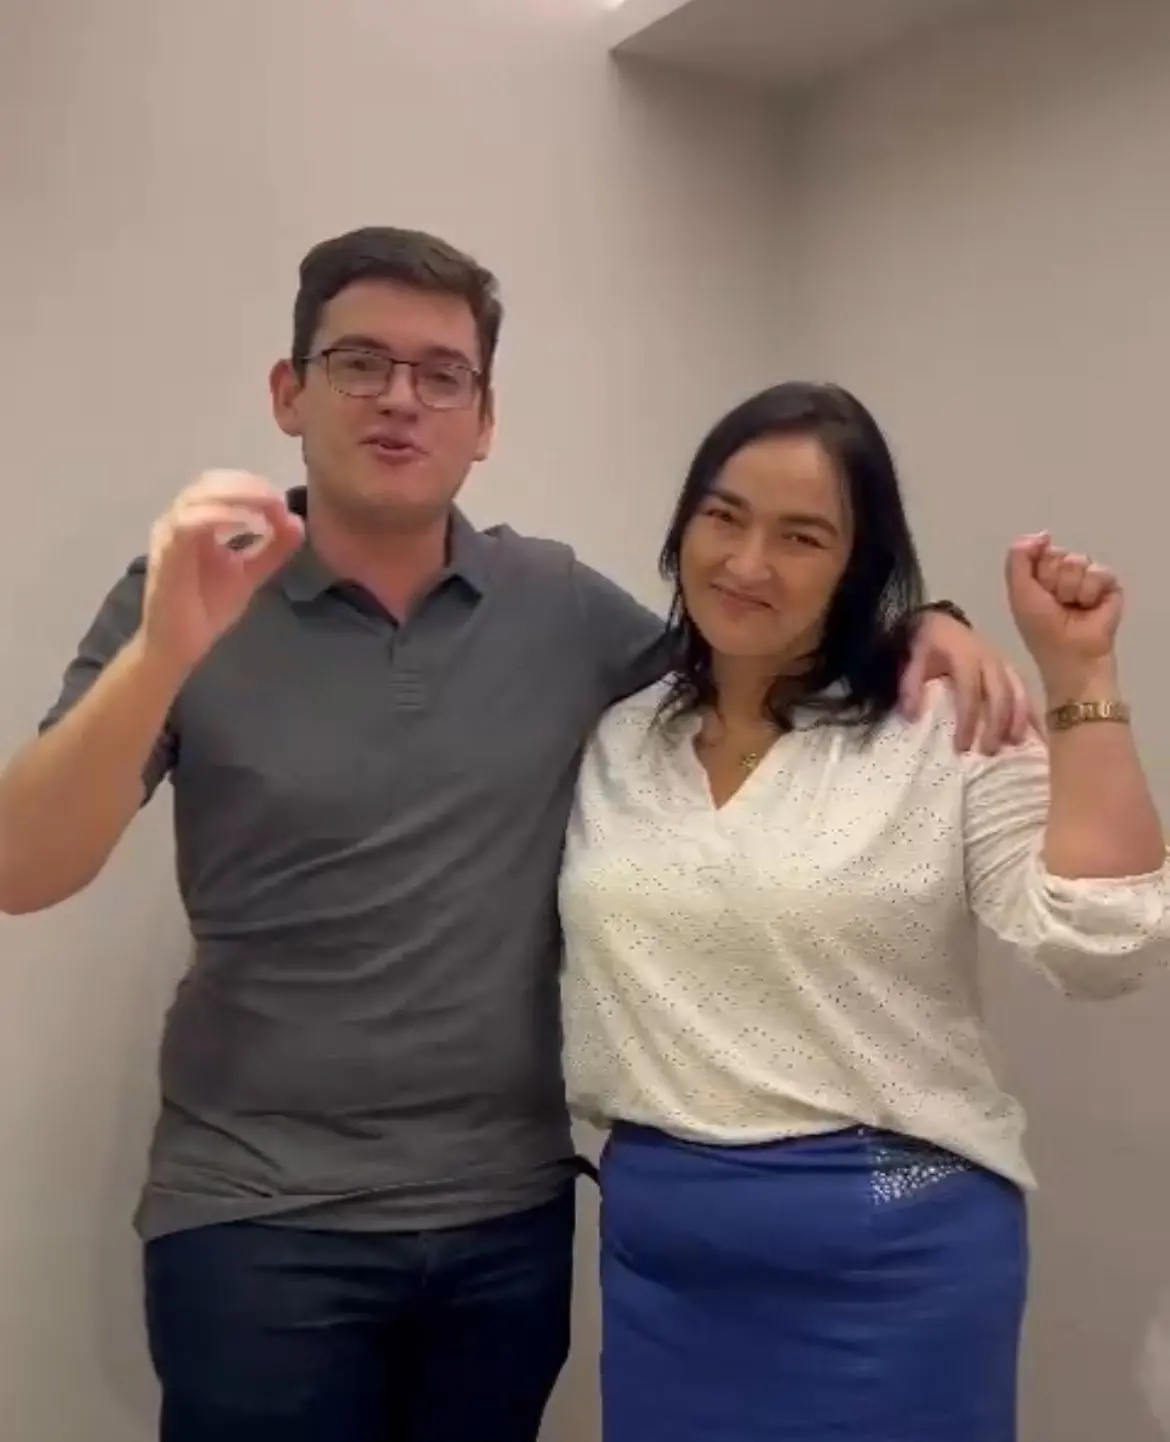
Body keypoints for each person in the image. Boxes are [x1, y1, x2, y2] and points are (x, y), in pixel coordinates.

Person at [0, 233, 1028, 1442]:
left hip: (507, 1220)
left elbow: (752, 650)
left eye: (443, 374)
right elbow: (24, 868)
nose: (401, 397)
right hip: (258, 1215)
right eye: (360, 361)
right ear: (290, 392)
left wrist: (922, 625)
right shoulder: (181, 596)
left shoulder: (558, 606)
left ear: (484, 420)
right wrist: (165, 652)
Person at [559, 380, 1169, 1442]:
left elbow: (1104, 941)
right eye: (723, 515)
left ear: (859, 565)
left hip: (894, 1251)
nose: (748, 562)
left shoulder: (939, 723)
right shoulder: (622, 736)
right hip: (666, 1266)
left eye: (802, 536)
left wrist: (1079, 672)